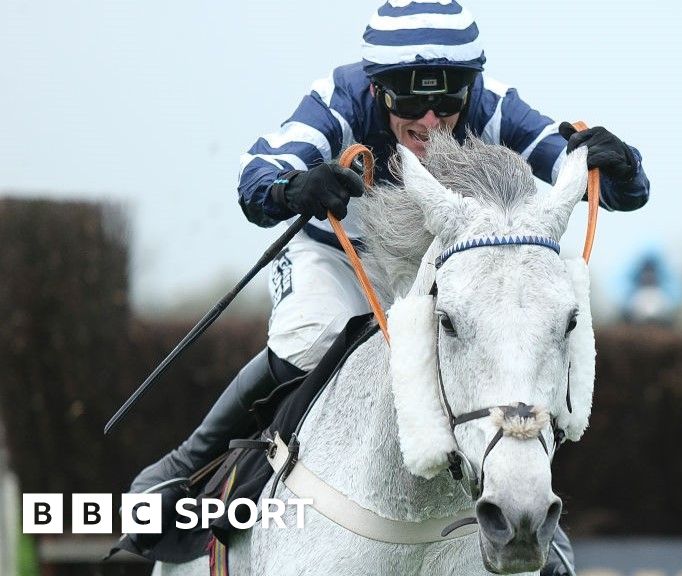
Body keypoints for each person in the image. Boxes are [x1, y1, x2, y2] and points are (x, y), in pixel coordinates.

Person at [129, 1, 649, 572]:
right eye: (409, 100)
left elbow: (601, 181)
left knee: (499, 347)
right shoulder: (338, 97)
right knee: (310, 337)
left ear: (468, 87)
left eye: (448, 98)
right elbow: (258, 176)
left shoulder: (493, 103)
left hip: (438, 263)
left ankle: (538, 529)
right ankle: (184, 468)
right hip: (339, 258)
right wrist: (293, 186)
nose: (431, 120)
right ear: (377, 90)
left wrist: (622, 165)